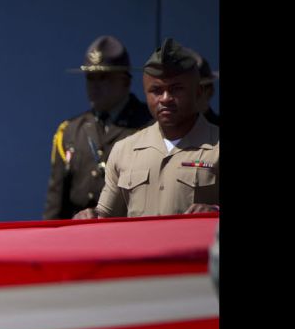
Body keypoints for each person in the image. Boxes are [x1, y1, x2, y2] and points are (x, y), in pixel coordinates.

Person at [74, 38, 218, 219]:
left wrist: (215, 213)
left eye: (176, 89)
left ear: (198, 92)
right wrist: (90, 216)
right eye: (156, 90)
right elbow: (106, 216)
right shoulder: (124, 150)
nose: (165, 98)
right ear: (145, 93)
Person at [42, 35, 153, 220]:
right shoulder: (70, 131)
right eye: (90, 78)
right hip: (79, 236)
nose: (95, 86)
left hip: (128, 232)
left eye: (104, 78)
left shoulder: (149, 126)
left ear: (125, 81)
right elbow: (55, 205)